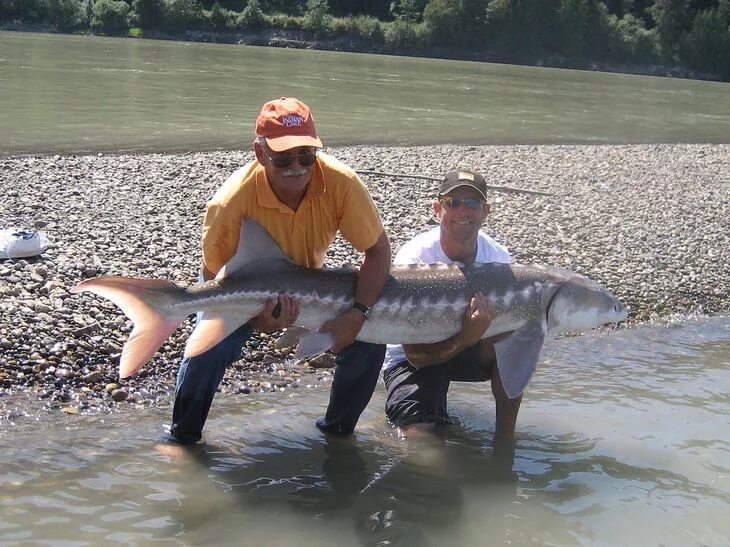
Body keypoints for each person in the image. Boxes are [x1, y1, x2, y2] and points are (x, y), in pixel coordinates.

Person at [166, 97, 391, 445]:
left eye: (306, 155)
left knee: (368, 340)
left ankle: (337, 437)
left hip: (305, 280)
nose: (296, 166)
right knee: (206, 351)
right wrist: (257, 319)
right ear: (260, 154)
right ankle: (182, 440)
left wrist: (358, 315)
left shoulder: (342, 183)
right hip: (242, 282)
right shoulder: (230, 202)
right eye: (283, 157)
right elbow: (213, 276)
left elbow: (378, 252)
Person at [382, 170, 522, 437]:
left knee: (516, 338)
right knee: (419, 438)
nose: (462, 211)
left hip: (470, 348)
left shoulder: (498, 258)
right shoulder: (415, 258)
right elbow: (415, 355)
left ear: (486, 211)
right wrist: (468, 336)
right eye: (453, 202)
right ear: (437, 208)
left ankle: (505, 440)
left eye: (472, 203)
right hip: (414, 357)